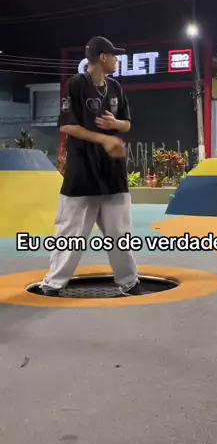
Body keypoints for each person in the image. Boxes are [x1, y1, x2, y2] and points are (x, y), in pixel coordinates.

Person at [40, 36, 141, 296]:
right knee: (70, 234)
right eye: (114, 55)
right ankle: (53, 283)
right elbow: (66, 126)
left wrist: (116, 126)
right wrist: (104, 139)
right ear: (103, 57)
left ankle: (129, 281)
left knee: (120, 234)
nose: (117, 59)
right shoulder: (76, 84)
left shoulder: (116, 87)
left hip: (113, 173)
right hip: (82, 172)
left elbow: (127, 123)